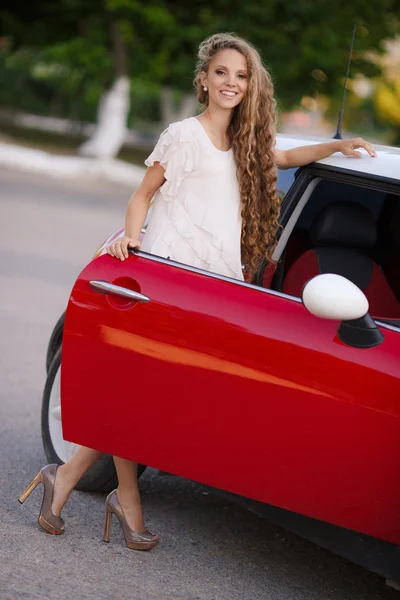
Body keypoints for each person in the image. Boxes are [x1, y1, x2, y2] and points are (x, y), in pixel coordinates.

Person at [19, 32, 376, 551]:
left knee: (148, 396)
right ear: (204, 80)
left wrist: (338, 145)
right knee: (143, 394)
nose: (231, 82)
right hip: (165, 275)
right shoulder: (182, 135)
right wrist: (133, 244)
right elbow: (142, 196)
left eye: (242, 75)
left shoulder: (248, 143)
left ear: (250, 84)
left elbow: (289, 155)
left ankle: (69, 480)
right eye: (222, 73)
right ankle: (123, 501)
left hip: (211, 283)